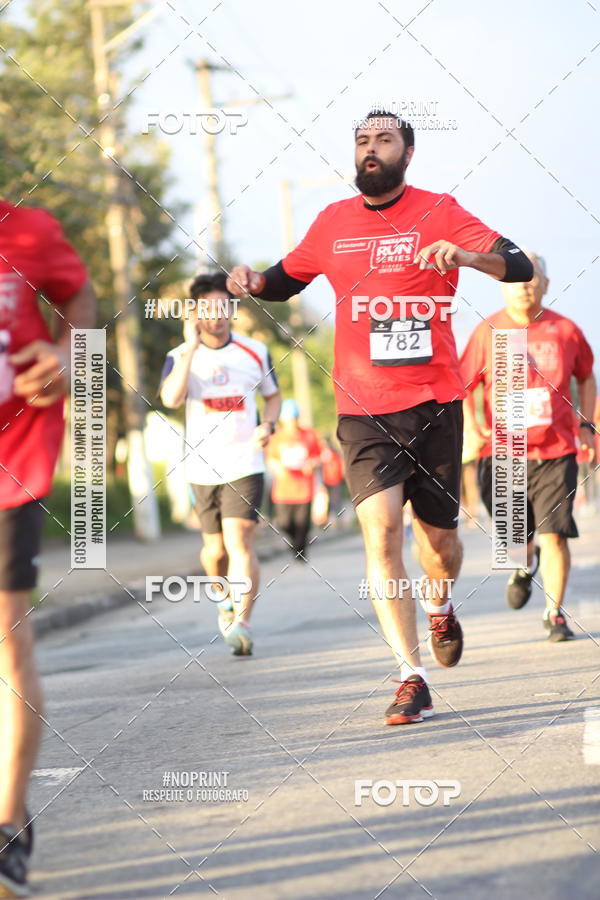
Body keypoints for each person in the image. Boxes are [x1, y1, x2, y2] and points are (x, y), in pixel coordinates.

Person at [226, 109, 533, 725]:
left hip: (434, 403)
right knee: (381, 533)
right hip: (364, 410)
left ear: (407, 153)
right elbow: (287, 280)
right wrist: (253, 280)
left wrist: (469, 259)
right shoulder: (333, 221)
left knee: (439, 545)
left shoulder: (441, 209)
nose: (370, 149)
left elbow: (518, 262)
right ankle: (409, 674)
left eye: (384, 140)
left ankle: (441, 604)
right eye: (362, 140)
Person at [0, 200, 96, 896]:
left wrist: (66, 356)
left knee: (7, 642)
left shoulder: (28, 230)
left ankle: (7, 825)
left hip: (10, 462)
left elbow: (81, 296)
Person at [461, 251, 596, 641]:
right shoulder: (487, 332)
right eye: (516, 279)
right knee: (514, 537)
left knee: (554, 533)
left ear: (546, 284)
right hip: (502, 453)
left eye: (532, 277)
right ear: (502, 286)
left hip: (556, 450)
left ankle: (554, 613)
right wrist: (474, 424)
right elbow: (464, 385)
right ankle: (523, 563)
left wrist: (585, 422)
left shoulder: (566, 330)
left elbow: (586, 377)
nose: (524, 285)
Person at [160, 272, 281, 656]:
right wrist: (191, 348)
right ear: (195, 312)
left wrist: (269, 424)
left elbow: (273, 397)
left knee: (240, 540)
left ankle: (242, 622)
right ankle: (223, 600)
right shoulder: (180, 357)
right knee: (214, 551)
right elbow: (171, 399)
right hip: (201, 466)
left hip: (245, 461)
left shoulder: (254, 351)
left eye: (224, 306)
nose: (218, 315)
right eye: (208, 308)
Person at [266, 399, 323, 561]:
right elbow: (270, 459)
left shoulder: (309, 435)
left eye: (294, 419)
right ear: (282, 420)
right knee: (285, 523)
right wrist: (278, 467)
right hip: (283, 490)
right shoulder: (276, 437)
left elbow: (319, 456)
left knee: (303, 524)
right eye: (288, 420)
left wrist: (312, 464)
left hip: (304, 489)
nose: (291, 423)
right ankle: (295, 545)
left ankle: (300, 550)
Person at [320, 435, 345, 523]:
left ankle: (338, 519)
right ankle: (326, 520)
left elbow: (340, 465)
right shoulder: (323, 453)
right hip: (326, 480)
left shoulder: (334, 453)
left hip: (335, 479)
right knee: (327, 500)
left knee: (336, 500)